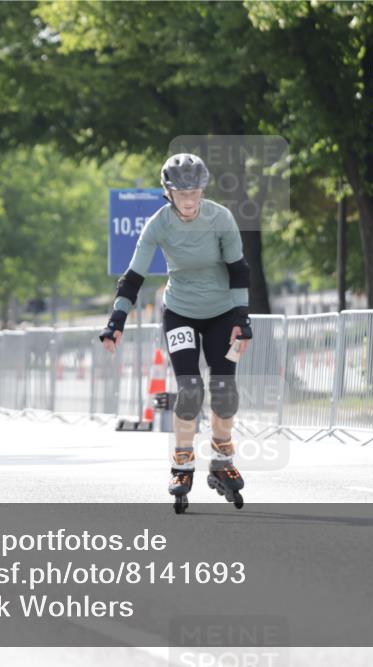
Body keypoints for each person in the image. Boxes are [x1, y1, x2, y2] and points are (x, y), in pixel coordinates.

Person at [99, 153, 253, 511]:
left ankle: (222, 461)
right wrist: (115, 322)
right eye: (181, 193)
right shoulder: (158, 224)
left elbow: (239, 271)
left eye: (195, 192)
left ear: (203, 190)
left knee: (224, 391)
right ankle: (182, 465)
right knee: (189, 389)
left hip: (221, 313)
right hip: (180, 312)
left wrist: (242, 320)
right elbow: (134, 276)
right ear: (168, 192)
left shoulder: (221, 218)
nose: (189, 200)